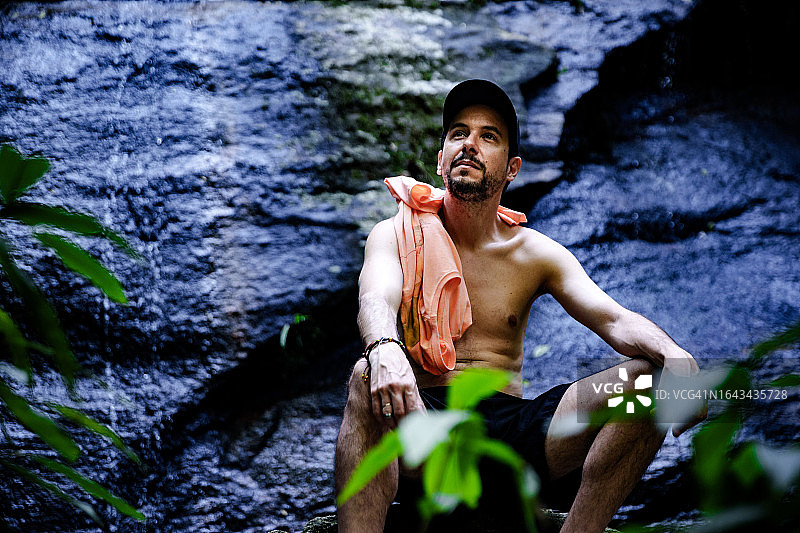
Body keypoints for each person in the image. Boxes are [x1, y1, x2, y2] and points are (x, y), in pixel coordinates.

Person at [334, 79, 706, 533]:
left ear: (511, 168)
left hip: (517, 435)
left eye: (488, 135)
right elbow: (375, 296)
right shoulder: (394, 235)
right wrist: (385, 347)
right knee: (367, 373)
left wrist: (675, 355)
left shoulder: (537, 254)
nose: (469, 144)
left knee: (649, 382)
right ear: (440, 157)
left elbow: (614, 318)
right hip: (420, 425)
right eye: (458, 133)